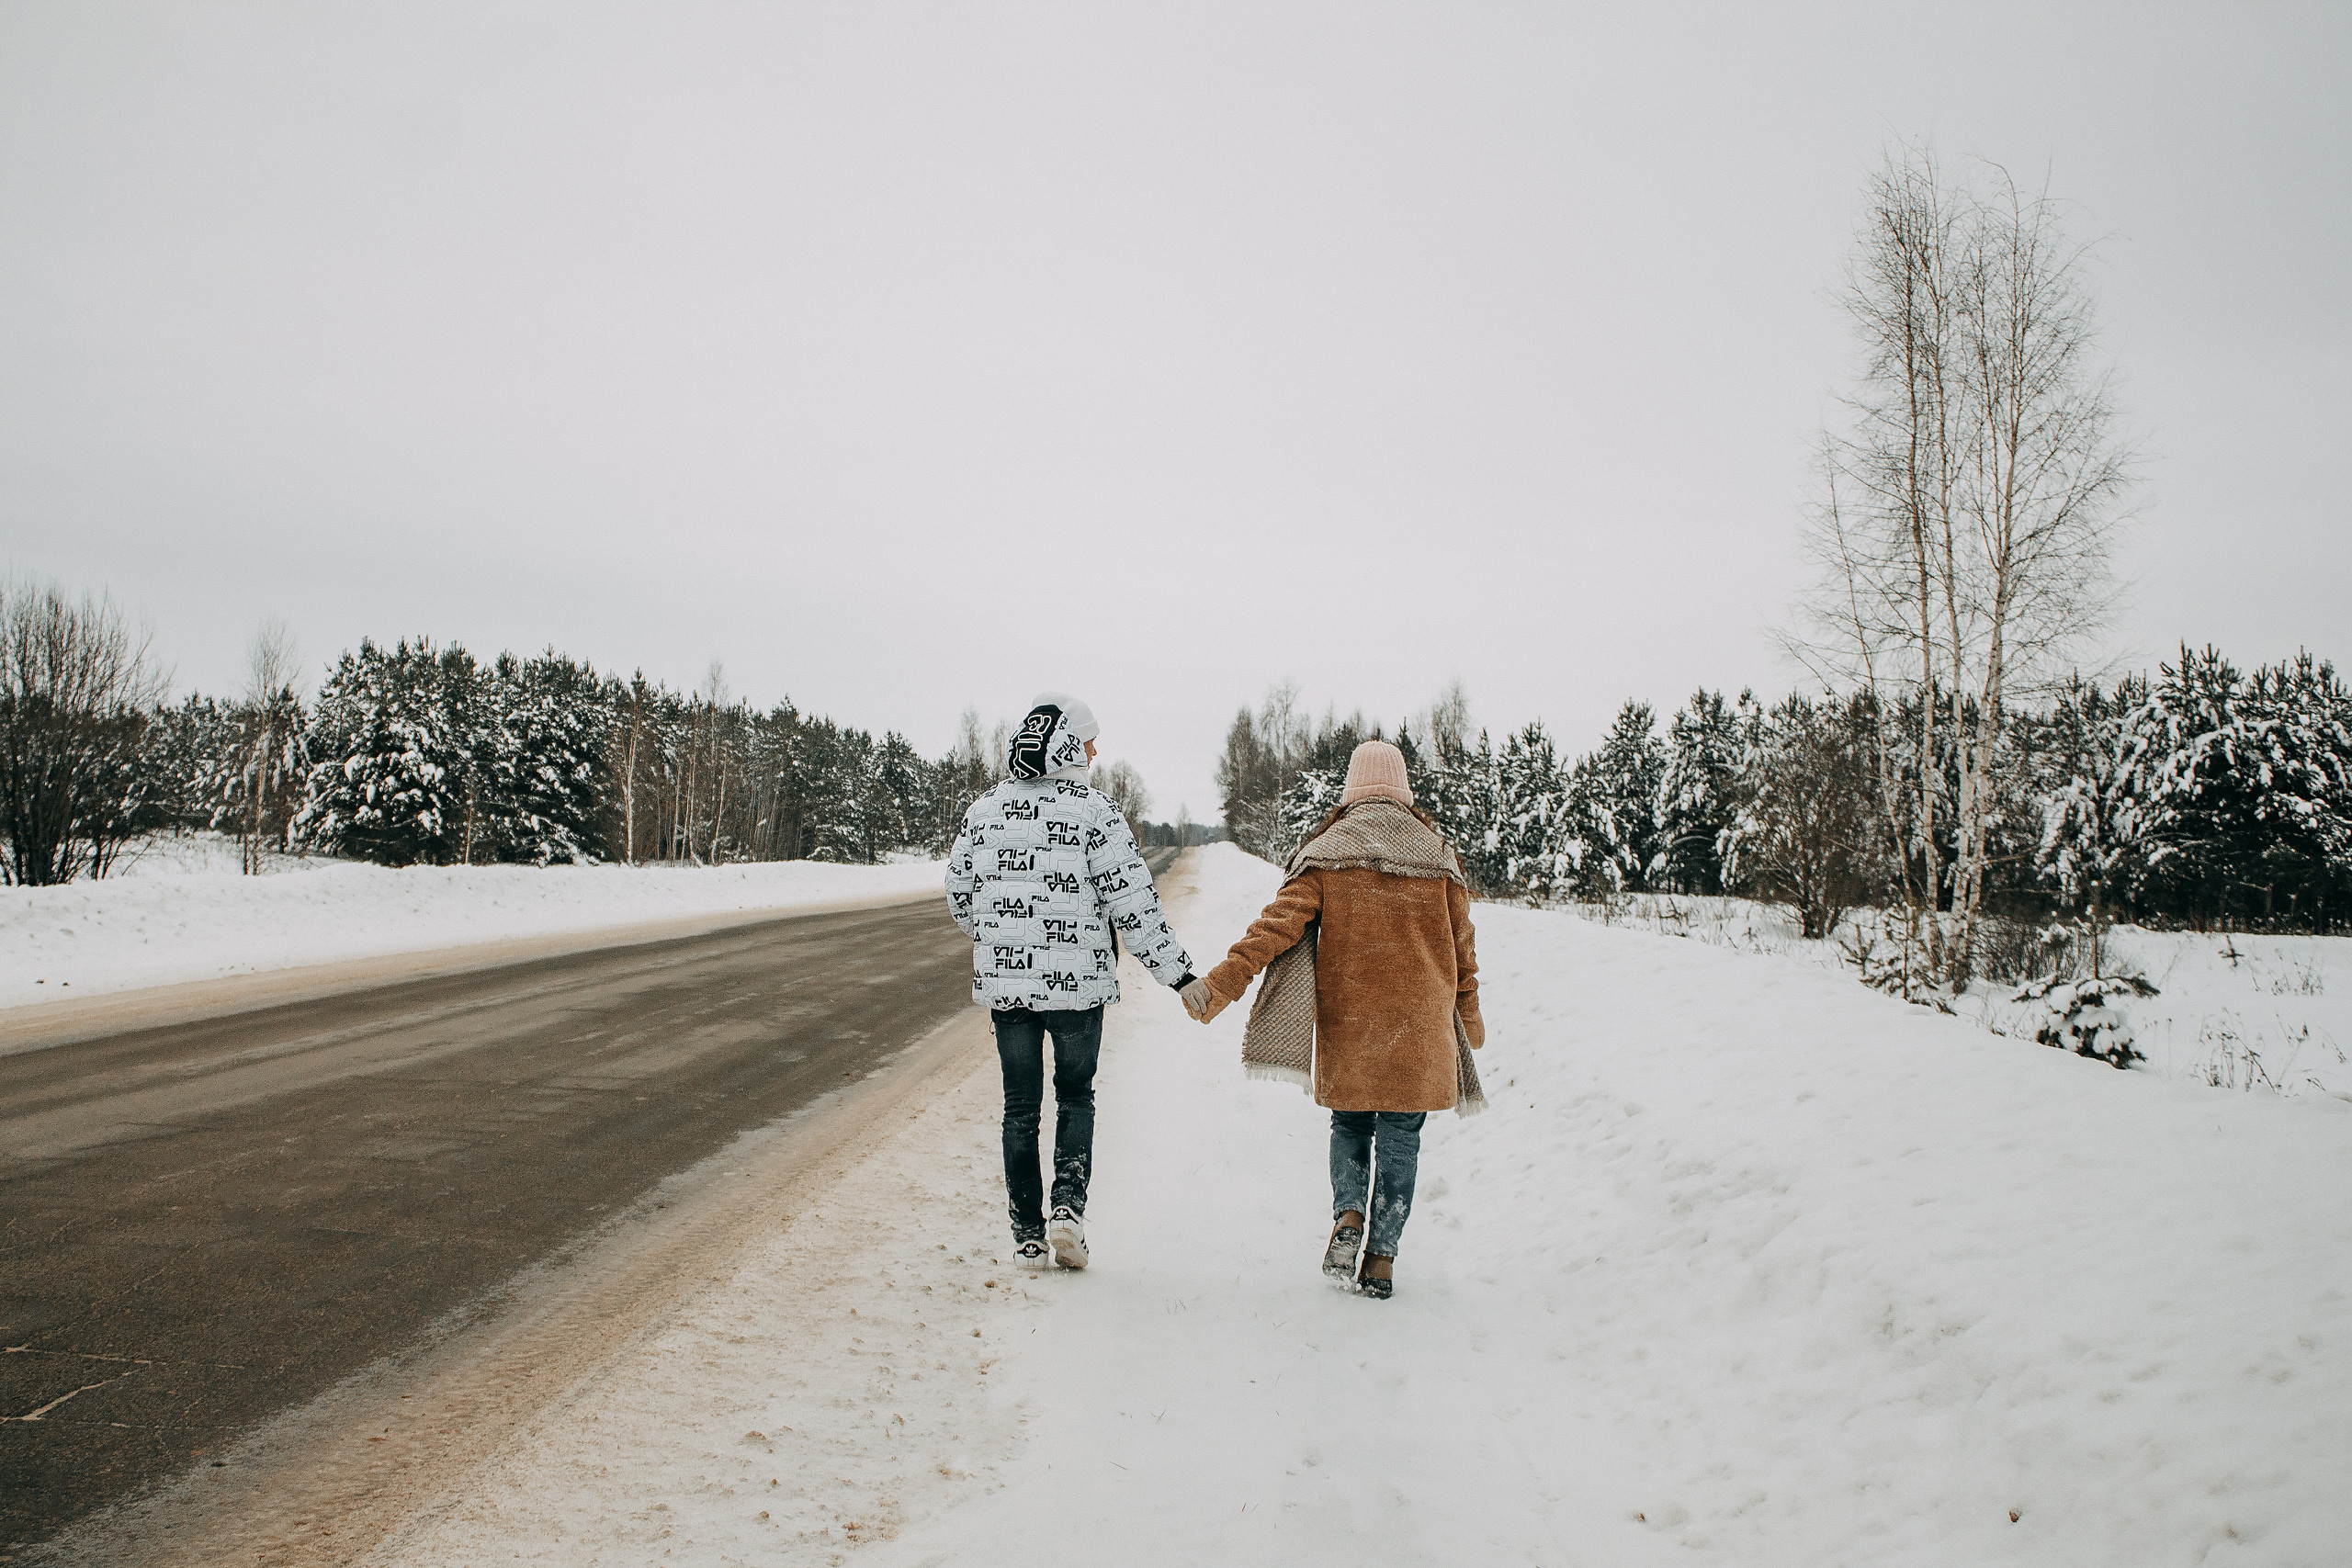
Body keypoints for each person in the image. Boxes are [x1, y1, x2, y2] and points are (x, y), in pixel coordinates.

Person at [1185, 739, 1483, 1299]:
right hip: (1421, 1031)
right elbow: (1463, 949)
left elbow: (1273, 930)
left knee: (1350, 1125)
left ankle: (1348, 1215)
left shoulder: (1327, 853)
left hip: (1352, 1025)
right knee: (1402, 1139)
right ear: (1403, 787)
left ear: (1351, 788)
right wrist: (1469, 1013)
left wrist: (1222, 982)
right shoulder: (1439, 857)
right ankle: (1381, 1259)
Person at [945, 692, 1212, 1270]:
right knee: (1074, 1097)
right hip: (1076, 992)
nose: (1096, 750)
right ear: (1067, 741)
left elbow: (961, 899)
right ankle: (1067, 1211)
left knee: (1019, 1107)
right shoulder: (1094, 812)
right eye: (1089, 739)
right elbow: (1133, 906)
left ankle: (1028, 1236)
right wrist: (1180, 976)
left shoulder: (984, 810)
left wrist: (1002, 940)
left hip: (1008, 990)